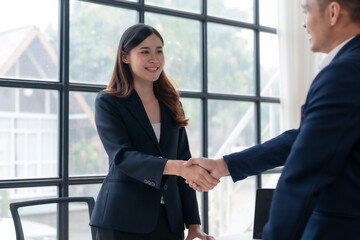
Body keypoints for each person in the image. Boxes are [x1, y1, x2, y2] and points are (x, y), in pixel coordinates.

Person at [185, 0, 360, 239]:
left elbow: (304, 174)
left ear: (332, 12)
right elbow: (303, 139)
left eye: (306, 11)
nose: (303, 23)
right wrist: (224, 165)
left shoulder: (344, 74)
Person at [89, 23, 218, 240]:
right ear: (125, 57)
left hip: (169, 222)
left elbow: (184, 161)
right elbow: (122, 157)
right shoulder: (109, 102)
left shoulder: (171, 102)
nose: (154, 59)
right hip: (121, 220)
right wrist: (177, 167)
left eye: (159, 50)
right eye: (145, 51)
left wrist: (194, 224)